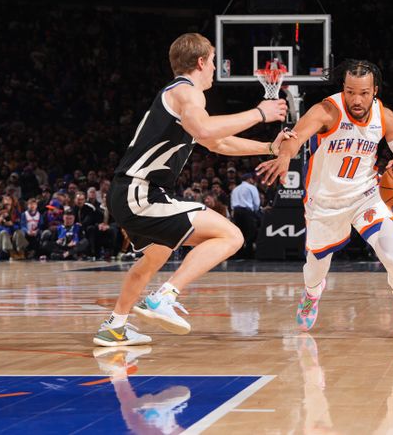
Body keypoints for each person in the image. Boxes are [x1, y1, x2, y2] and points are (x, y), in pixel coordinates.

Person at [94, 33, 289, 347]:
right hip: (140, 191)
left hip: (133, 192)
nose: (214, 69)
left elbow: (217, 141)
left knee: (153, 258)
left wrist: (268, 146)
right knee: (231, 236)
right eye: (212, 62)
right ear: (201, 61)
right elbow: (205, 130)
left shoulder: (183, 98)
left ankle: (115, 325)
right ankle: (164, 297)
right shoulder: (187, 92)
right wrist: (260, 113)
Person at [257, 59, 393, 341]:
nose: (355, 99)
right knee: (314, 271)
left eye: (363, 93)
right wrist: (285, 155)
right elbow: (294, 138)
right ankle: (311, 294)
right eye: (349, 92)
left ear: (375, 91)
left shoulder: (385, 117)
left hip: (366, 196)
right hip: (325, 203)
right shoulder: (326, 111)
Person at [230, 172, 261, 257]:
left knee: (239, 233)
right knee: (250, 232)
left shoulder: (235, 189)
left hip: (236, 212)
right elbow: (256, 202)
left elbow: (232, 202)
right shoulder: (251, 187)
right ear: (249, 179)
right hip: (247, 212)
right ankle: (248, 253)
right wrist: (256, 211)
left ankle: (239, 253)